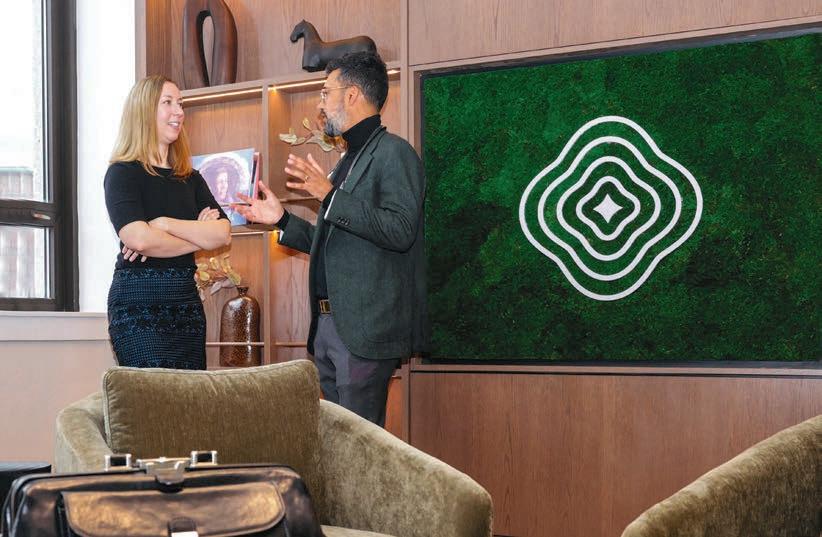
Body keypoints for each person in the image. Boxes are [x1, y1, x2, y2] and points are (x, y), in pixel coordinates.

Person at [234, 52, 428, 426]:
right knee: (336, 442)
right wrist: (281, 219)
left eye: (326, 92)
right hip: (328, 327)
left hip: (364, 330)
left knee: (358, 445)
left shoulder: (395, 154)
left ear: (352, 94)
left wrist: (330, 196)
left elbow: (400, 230)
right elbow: (333, 244)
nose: (320, 103)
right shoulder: (347, 160)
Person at [104, 75, 231, 369]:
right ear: (144, 111)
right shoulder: (122, 173)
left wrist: (163, 224)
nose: (179, 112)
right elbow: (139, 239)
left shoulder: (191, 178)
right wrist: (198, 235)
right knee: (150, 394)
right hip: (137, 305)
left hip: (186, 304)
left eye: (180, 103)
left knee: (188, 395)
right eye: (168, 102)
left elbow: (223, 234)